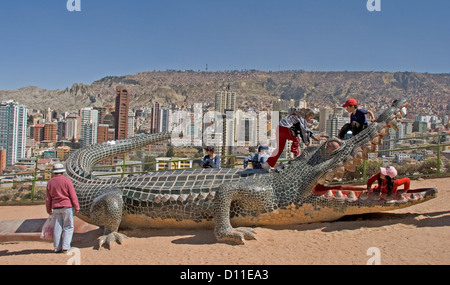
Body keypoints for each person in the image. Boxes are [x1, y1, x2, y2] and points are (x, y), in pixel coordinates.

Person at [45, 163, 80, 253]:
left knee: (57, 227)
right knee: (68, 226)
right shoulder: (66, 180)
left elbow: (48, 198)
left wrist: (48, 209)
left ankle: (57, 247)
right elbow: (72, 195)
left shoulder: (50, 182)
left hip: (56, 207)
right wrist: (76, 206)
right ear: (62, 172)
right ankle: (66, 247)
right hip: (67, 206)